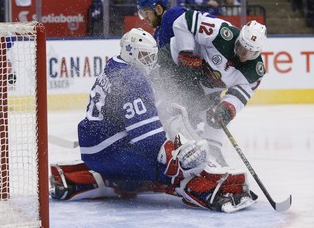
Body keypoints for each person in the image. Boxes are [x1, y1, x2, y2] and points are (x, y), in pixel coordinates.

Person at [49, 28, 256, 212]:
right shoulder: (133, 79)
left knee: (138, 176)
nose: (149, 61)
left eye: (151, 56)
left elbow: (126, 111)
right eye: (145, 56)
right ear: (131, 51)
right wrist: (175, 158)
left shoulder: (115, 65)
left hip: (93, 149)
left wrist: (161, 110)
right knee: (180, 169)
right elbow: (148, 140)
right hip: (112, 153)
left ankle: (93, 181)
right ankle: (209, 193)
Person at [136, 0, 267, 167]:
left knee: (216, 118)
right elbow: (184, 22)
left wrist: (227, 108)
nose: (243, 54)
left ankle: (212, 150)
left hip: (201, 88)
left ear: (258, 51)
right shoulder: (222, 32)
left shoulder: (255, 72)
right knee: (164, 103)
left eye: (249, 52)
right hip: (179, 68)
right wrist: (187, 52)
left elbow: (241, 94)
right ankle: (151, 139)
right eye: (242, 47)